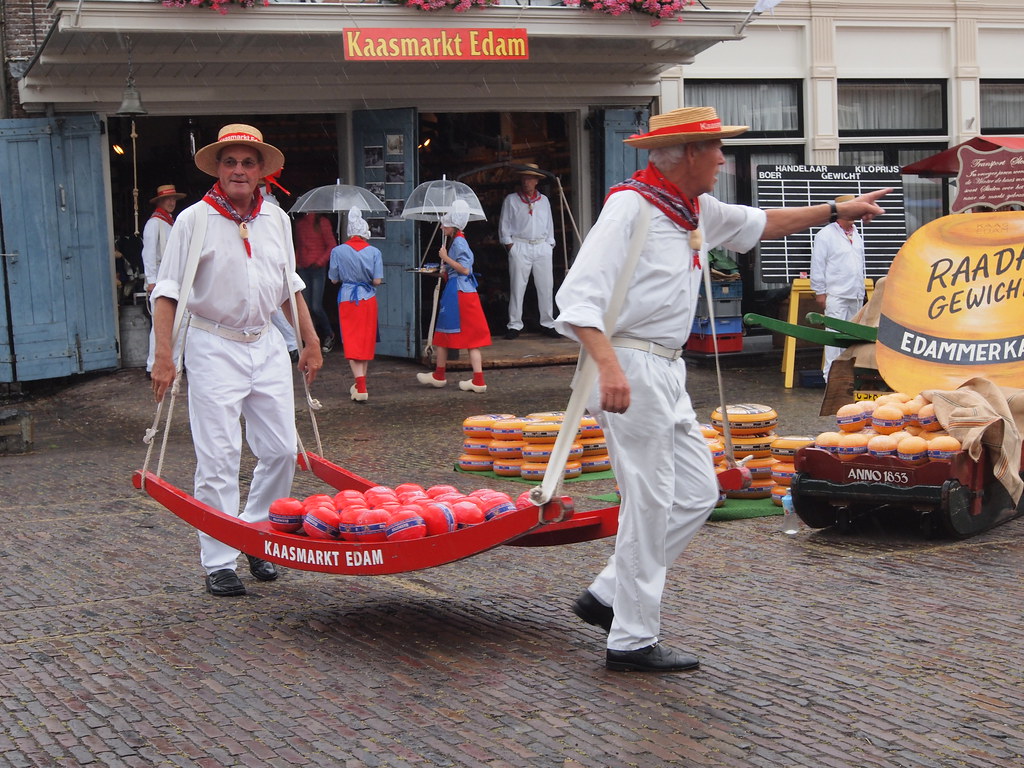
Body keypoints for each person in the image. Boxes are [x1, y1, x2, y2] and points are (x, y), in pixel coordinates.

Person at [554, 106, 890, 672]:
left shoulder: (693, 208)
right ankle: (631, 640)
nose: (722, 159)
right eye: (715, 148)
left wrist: (838, 210)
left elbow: (766, 223)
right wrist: (609, 368)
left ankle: (608, 595)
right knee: (649, 503)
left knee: (696, 493)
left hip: (665, 367)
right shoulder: (630, 206)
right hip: (631, 363)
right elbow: (578, 298)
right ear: (689, 152)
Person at [150, 123, 323, 598]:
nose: (239, 170)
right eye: (230, 162)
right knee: (219, 456)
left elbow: (288, 286)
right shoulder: (193, 220)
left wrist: (309, 340)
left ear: (262, 170)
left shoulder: (277, 219)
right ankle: (219, 559)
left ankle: (255, 533)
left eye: (248, 162)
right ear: (218, 169)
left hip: (265, 342)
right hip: (212, 343)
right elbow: (167, 292)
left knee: (282, 449)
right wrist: (164, 356)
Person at [416, 199, 492, 393]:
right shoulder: (458, 240)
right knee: (456, 336)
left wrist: (445, 258)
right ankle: (471, 379)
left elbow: (465, 269)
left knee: (446, 333)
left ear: (453, 225)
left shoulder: (458, 242)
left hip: (458, 293)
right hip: (462, 291)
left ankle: (442, 375)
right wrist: (445, 270)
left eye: (445, 224)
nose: (442, 227)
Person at [809, 194, 867, 380]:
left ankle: (849, 378)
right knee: (833, 339)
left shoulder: (857, 234)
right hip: (836, 294)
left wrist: (862, 289)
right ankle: (830, 379)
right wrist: (820, 292)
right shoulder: (825, 235)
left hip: (855, 294)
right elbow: (818, 265)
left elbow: (860, 264)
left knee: (853, 339)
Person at [328, 208, 384, 402]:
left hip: (348, 299)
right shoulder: (375, 252)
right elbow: (377, 280)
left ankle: (360, 387)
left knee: (352, 341)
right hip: (368, 298)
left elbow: (333, 279)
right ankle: (361, 384)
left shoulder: (337, 251)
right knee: (365, 341)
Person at [498, 163, 558, 340]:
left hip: (541, 245)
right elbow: (504, 225)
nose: (527, 182)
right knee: (517, 287)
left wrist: (549, 244)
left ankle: (547, 323)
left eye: (530, 178)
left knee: (546, 286)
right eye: (524, 178)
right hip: (520, 244)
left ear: (537, 181)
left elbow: (549, 224)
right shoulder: (511, 200)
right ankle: (514, 325)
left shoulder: (544, 200)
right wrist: (510, 246)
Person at [142, 184, 187, 377]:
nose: (171, 202)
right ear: (160, 202)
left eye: (173, 199)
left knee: (179, 322)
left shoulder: (171, 223)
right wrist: (151, 280)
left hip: (174, 278)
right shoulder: (154, 223)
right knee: (160, 324)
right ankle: (153, 365)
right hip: (161, 278)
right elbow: (148, 254)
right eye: (168, 199)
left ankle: (175, 364)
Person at [294, 211, 339, 354]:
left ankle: (329, 334)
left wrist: (320, 262)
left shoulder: (322, 223)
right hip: (304, 268)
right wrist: (297, 262)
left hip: (317, 269)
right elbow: (299, 246)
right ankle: (312, 341)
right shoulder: (300, 224)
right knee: (305, 308)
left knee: (315, 306)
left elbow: (331, 245)